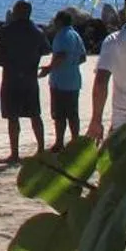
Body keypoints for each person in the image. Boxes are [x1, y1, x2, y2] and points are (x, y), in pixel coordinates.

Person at [0, 0, 48, 163]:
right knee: (35, 115)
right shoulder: (37, 31)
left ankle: (15, 153)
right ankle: (40, 149)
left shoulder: (7, 31)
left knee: (13, 117)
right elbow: (46, 50)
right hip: (30, 78)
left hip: (11, 78)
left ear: (17, 12)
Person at [40, 12, 86, 151]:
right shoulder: (75, 35)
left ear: (60, 21)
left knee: (59, 115)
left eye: (55, 20)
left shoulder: (62, 36)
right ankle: (75, 140)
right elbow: (83, 57)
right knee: (72, 114)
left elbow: (61, 55)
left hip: (61, 81)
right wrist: (71, 65)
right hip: (73, 80)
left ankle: (59, 142)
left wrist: (48, 68)